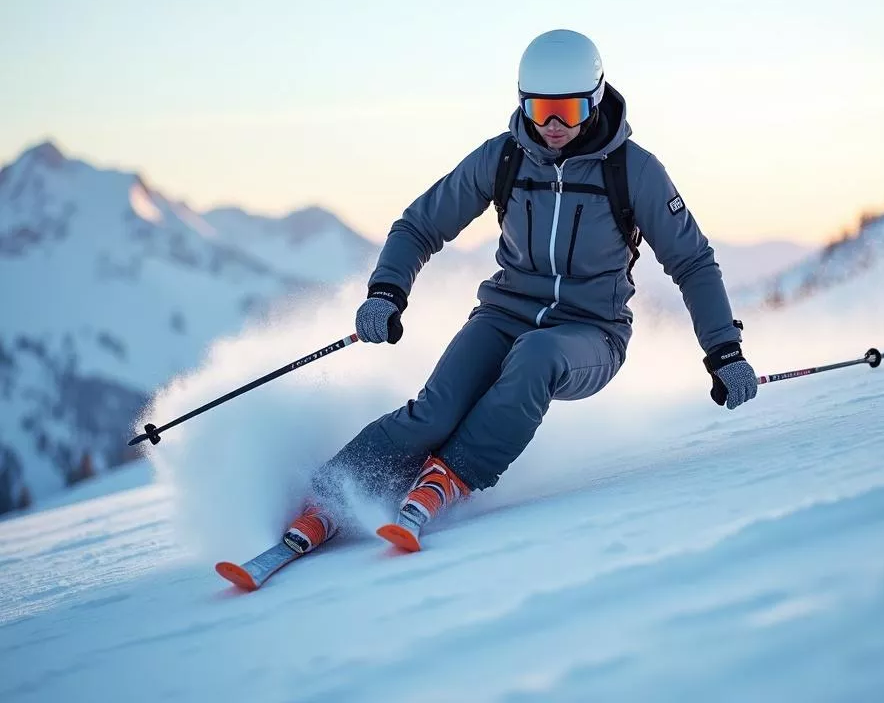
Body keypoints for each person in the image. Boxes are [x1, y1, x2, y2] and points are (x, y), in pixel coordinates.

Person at [282, 29, 758, 554]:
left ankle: (451, 475)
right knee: (435, 412)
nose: (553, 126)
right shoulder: (504, 158)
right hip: (503, 315)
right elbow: (419, 224)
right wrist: (386, 291)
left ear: (595, 100)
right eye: (540, 110)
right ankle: (327, 498)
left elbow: (692, 261)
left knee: (537, 356)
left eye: (569, 111)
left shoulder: (634, 171)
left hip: (590, 333)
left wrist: (723, 350)